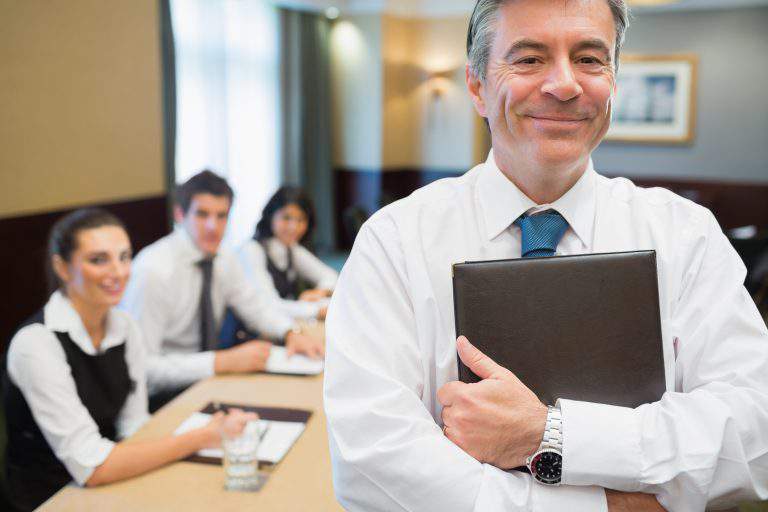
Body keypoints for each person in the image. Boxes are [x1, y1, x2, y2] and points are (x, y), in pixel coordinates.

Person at [323, 1, 768, 511]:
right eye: (529, 59)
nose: (564, 84)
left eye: (589, 59)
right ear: (476, 86)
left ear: (614, 81)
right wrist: (607, 507)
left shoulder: (685, 236)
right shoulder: (396, 241)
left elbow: (754, 437)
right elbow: (371, 462)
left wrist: (548, 435)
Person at [2, 208, 254, 511]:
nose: (119, 272)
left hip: (114, 485)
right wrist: (203, 437)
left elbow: (134, 426)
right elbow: (91, 467)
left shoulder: (125, 326)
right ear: (63, 268)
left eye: (124, 257)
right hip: (52, 497)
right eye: (99, 260)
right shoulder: (36, 343)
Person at [121, 171, 323, 409]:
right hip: (160, 397)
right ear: (179, 214)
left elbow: (255, 307)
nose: (212, 226)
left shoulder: (223, 257)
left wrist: (291, 333)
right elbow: (143, 367)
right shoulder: (153, 271)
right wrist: (220, 362)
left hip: (208, 380)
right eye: (202, 214)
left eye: (221, 216)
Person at [238, 186, 338, 322]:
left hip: (280, 325)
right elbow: (269, 305)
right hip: (249, 334)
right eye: (286, 218)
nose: (294, 227)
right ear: (270, 216)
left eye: (301, 219)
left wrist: (321, 292)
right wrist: (316, 310)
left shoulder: (291, 248)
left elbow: (331, 276)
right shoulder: (251, 250)